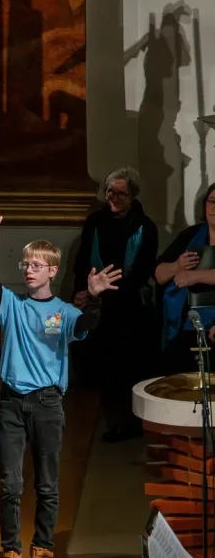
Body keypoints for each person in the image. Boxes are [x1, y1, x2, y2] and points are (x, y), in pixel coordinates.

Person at [0, 208, 119, 558]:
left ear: (52, 270)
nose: (28, 270)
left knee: (48, 485)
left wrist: (97, 299)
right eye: (25, 264)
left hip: (48, 404)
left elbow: (86, 325)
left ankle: (41, 550)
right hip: (12, 404)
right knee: (9, 483)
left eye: (36, 264)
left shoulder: (64, 312)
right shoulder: (14, 306)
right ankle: (10, 553)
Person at [72, 167, 158, 442]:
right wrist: (81, 291)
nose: (115, 197)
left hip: (130, 306)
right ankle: (111, 421)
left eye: (122, 193)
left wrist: (111, 292)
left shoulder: (145, 226)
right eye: (111, 191)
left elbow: (143, 271)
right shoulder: (94, 221)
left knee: (129, 368)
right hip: (99, 304)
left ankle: (131, 423)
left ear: (132, 196)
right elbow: (83, 261)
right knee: (104, 368)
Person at [156, 184, 215, 374]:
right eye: (211, 201)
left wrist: (195, 276)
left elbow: (192, 277)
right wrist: (177, 267)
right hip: (186, 325)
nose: (214, 207)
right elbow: (158, 274)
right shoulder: (190, 236)